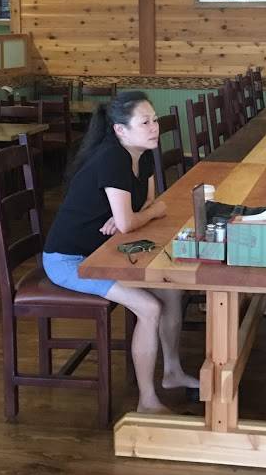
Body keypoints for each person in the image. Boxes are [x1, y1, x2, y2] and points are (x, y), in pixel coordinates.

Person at [43, 91, 199, 414]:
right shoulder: (112, 158)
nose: (154, 127)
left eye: (154, 120)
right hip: (70, 261)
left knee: (171, 291)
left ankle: (172, 373)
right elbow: (140, 216)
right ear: (120, 130)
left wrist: (135, 216)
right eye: (145, 122)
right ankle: (147, 401)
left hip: (104, 253)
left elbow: (144, 205)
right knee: (149, 307)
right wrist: (141, 216)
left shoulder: (142, 154)